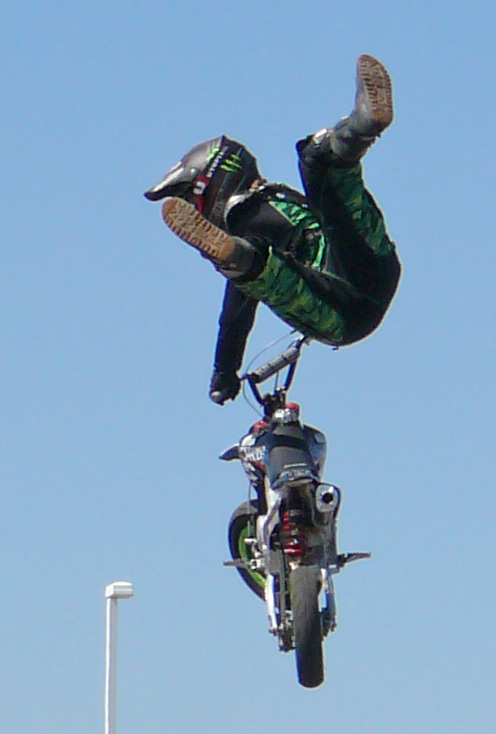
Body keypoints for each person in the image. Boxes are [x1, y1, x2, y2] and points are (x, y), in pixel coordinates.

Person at [145, 54, 401, 405]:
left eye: (193, 200)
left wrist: (224, 372)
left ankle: (240, 260)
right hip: (378, 266)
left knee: (261, 272)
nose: (197, 212)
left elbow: (235, 313)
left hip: (342, 313)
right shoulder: (281, 196)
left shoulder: (246, 215)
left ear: (212, 182)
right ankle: (358, 128)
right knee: (320, 167)